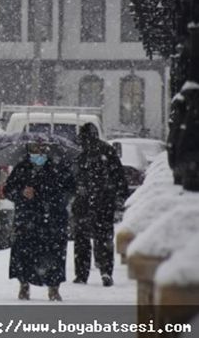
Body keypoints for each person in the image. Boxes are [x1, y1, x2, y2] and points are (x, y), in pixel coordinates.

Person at [5, 140, 76, 301]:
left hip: (53, 219)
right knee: (24, 252)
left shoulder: (59, 168)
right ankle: (24, 284)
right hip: (27, 218)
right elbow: (9, 189)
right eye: (35, 147)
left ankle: (54, 287)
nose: (39, 151)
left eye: (42, 147)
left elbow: (69, 190)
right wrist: (22, 193)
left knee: (54, 253)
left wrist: (49, 198)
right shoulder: (22, 168)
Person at [72, 123, 128, 287]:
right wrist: (118, 197)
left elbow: (70, 177)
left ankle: (82, 274)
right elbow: (119, 176)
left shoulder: (78, 152)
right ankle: (106, 271)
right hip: (104, 202)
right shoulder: (107, 150)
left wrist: (76, 188)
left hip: (85, 203)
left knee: (82, 240)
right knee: (103, 238)